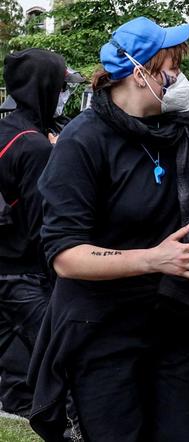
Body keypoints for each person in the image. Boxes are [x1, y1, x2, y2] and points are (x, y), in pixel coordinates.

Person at [28, 16, 189, 442]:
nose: (182, 80)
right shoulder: (83, 141)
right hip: (106, 334)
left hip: (185, 326)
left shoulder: (185, 131)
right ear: (141, 74)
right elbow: (65, 255)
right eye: (172, 69)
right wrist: (155, 259)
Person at [0, 48, 65, 418]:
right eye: (59, 87)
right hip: (23, 276)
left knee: (16, 368)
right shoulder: (35, 145)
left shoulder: (9, 132)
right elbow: (42, 226)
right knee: (58, 355)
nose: (62, 96)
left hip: (4, 270)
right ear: (44, 89)